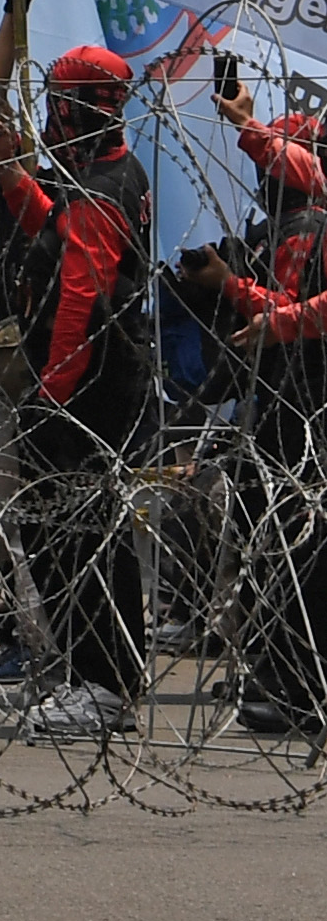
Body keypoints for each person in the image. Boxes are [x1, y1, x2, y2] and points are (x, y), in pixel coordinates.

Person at [0, 34, 161, 743]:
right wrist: (11, 174)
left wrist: (50, 399)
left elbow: (80, 301)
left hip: (85, 391)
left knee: (75, 536)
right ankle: (99, 677)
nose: (49, 117)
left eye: (58, 105)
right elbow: (55, 231)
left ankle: (102, 684)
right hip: (95, 383)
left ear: (79, 110)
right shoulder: (107, 174)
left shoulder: (103, 189)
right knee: (76, 531)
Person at [189, 84, 327, 735]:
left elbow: (287, 313)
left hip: (304, 406)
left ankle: (297, 684)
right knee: (279, 540)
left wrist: (231, 286)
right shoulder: (294, 223)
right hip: (287, 404)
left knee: (298, 545)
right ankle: (279, 673)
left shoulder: (308, 226)